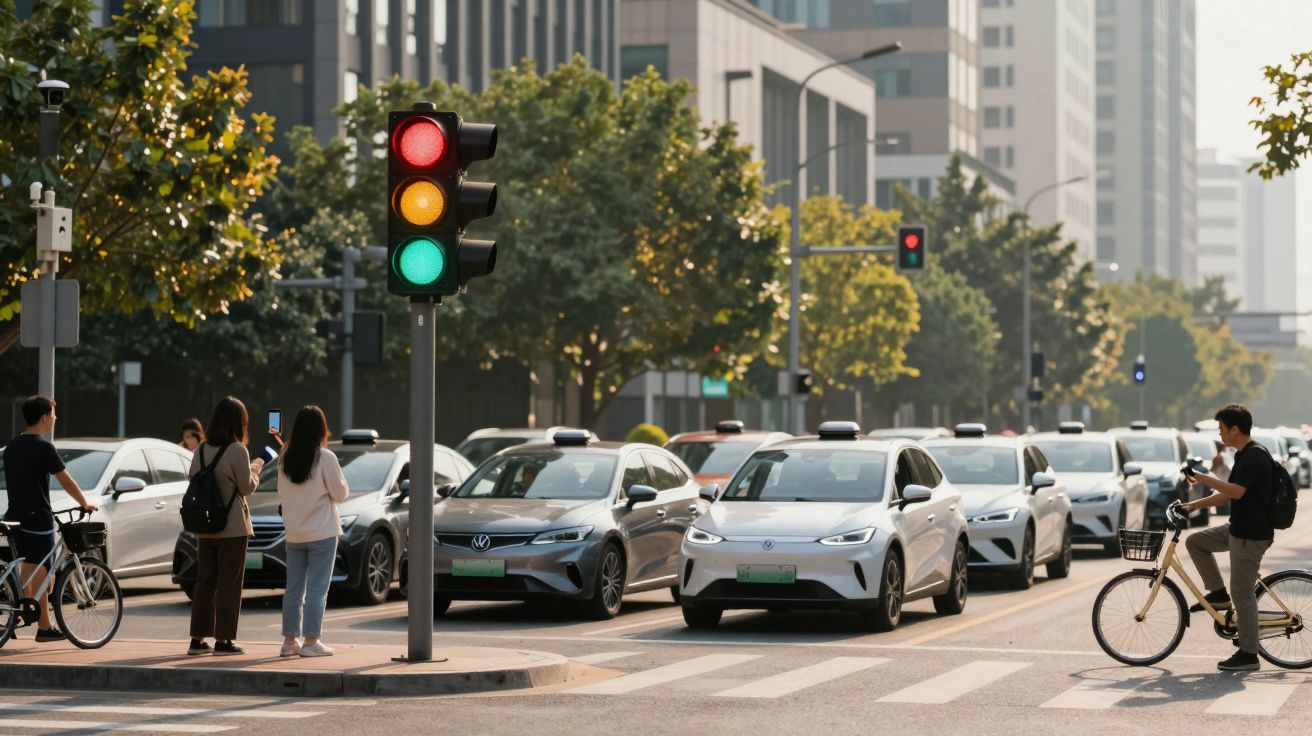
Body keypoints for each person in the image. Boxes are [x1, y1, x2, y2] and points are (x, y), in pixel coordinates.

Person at [1180, 403, 1274, 672]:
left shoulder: (1255, 455)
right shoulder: (1243, 455)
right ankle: (1218, 594)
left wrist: (1203, 478)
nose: (1220, 434)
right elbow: (1227, 493)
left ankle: (1249, 654)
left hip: (1250, 535)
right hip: (1237, 530)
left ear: (1235, 429)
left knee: (1242, 593)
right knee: (1195, 542)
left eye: (1221, 428)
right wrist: (1193, 505)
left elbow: (1236, 492)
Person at [1, 395, 98, 642]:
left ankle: (25, 615)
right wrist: (84, 503)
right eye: (53, 414)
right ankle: (42, 625)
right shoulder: (44, 447)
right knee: (45, 572)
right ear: (44, 417)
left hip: (14, 516)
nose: (56, 418)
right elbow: (65, 479)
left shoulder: (12, 446)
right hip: (38, 518)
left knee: (29, 566)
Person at [187, 396, 262, 656]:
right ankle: (224, 640)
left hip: (205, 525)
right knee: (229, 583)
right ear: (239, 423)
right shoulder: (238, 450)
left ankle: (197, 640)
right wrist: (256, 468)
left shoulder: (201, 449)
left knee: (204, 581)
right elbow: (247, 487)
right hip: (232, 527)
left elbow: (193, 478)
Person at [276, 406, 348, 658]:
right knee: (317, 589)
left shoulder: (284, 456)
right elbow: (341, 492)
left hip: (294, 533)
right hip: (322, 532)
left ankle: (289, 642)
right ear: (321, 430)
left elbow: (281, 492)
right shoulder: (325, 457)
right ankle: (311, 642)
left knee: (293, 588)